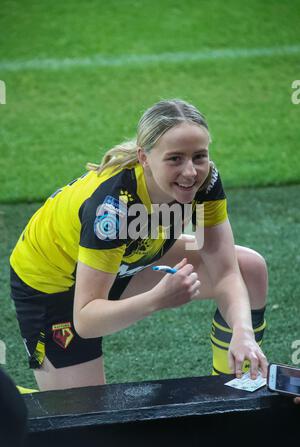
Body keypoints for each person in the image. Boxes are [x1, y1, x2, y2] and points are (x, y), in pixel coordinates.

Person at [10, 99, 269, 391]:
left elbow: (224, 271)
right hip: (55, 284)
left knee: (248, 269)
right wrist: (157, 299)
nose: (190, 172)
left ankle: (229, 391)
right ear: (144, 157)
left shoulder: (205, 180)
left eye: (199, 156)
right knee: (85, 420)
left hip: (127, 256)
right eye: (175, 159)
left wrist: (243, 332)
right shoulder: (112, 207)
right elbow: (85, 319)